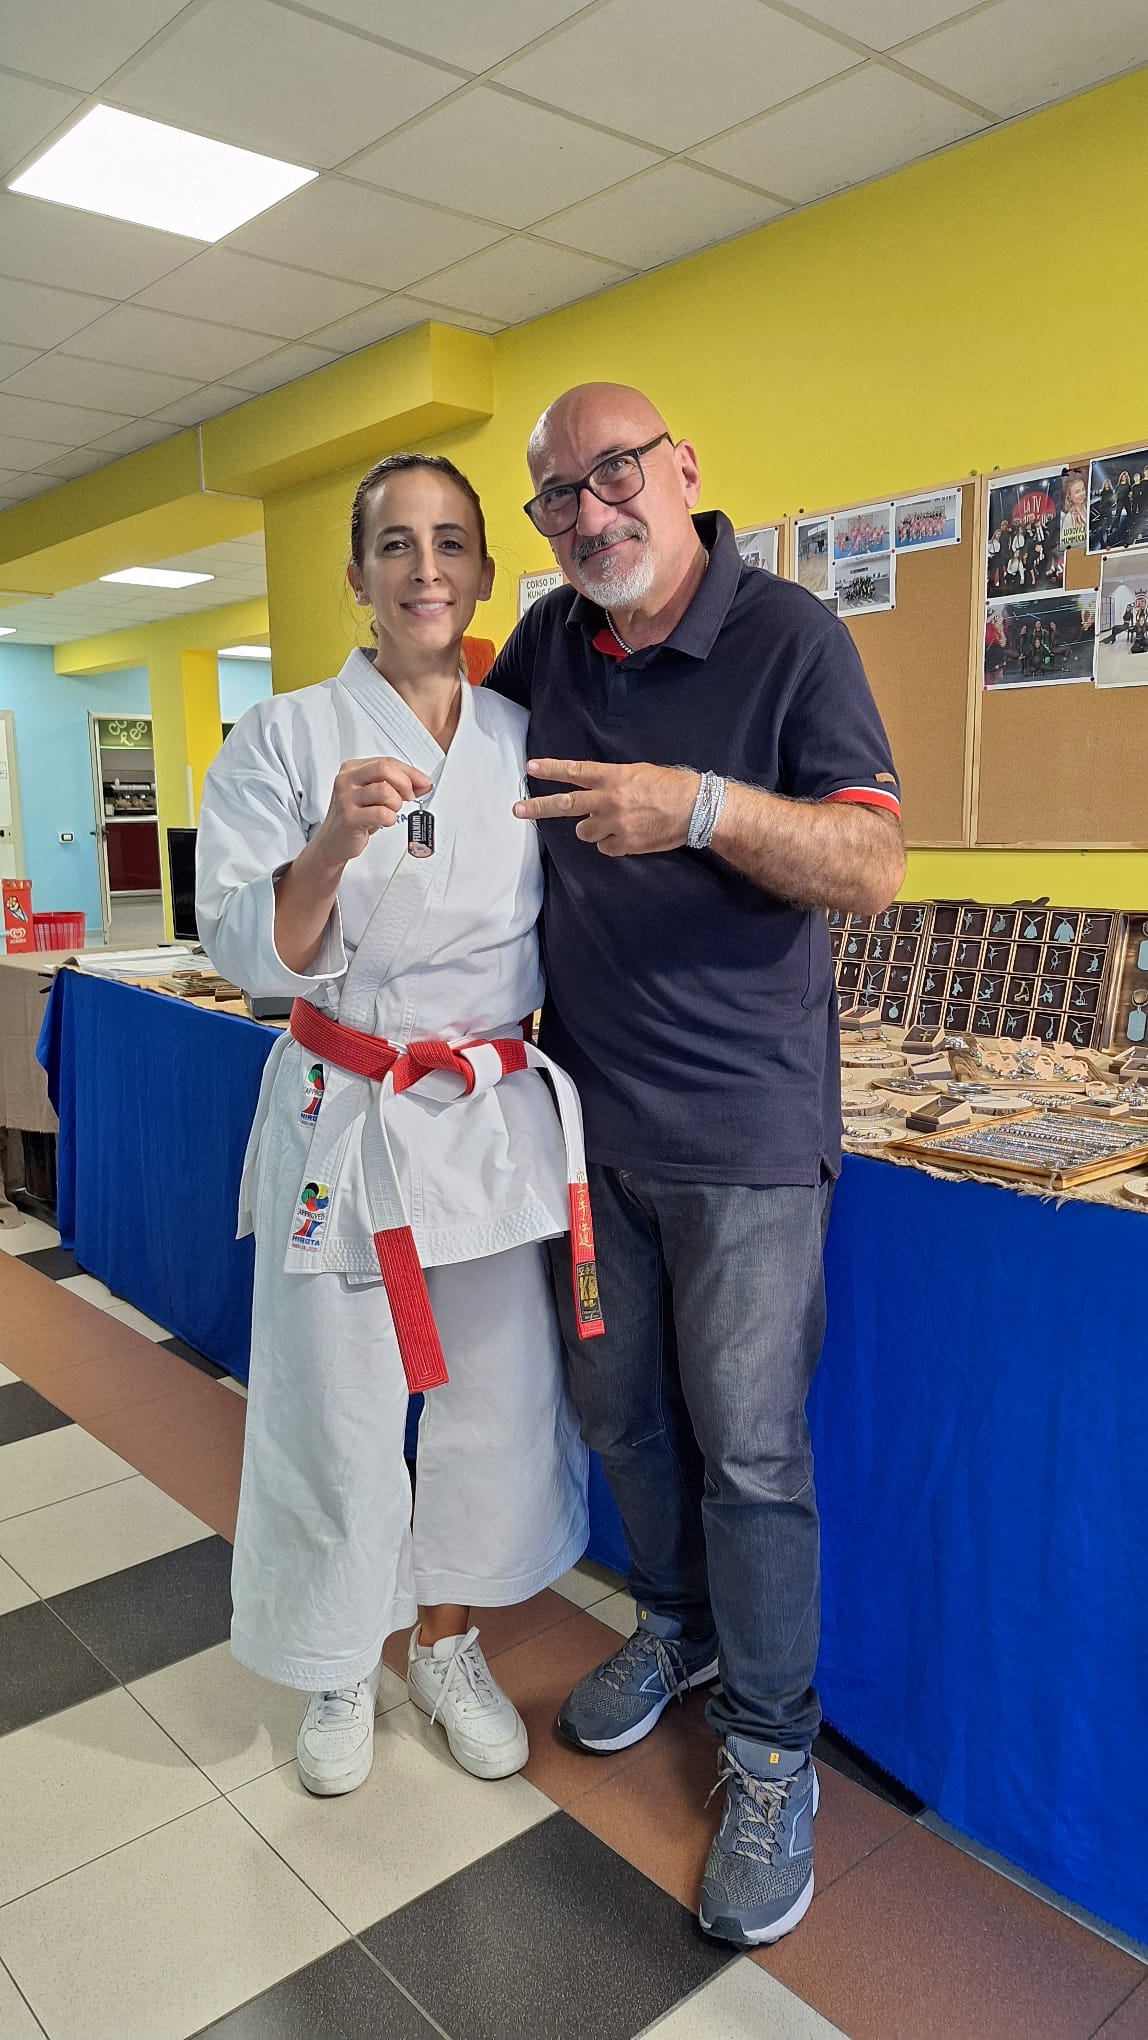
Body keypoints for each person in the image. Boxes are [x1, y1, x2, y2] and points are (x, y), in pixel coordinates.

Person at [488, 383, 904, 1948]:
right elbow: (459, 765)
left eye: (616, 474)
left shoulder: (791, 636)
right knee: (620, 1413)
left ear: (682, 471)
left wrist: (704, 808)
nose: (590, 512)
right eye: (558, 495)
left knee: (752, 1451)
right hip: (585, 1131)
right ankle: (677, 1629)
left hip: (746, 1138)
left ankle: (775, 1755)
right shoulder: (550, 643)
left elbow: (873, 863)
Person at [195, 452, 592, 1799]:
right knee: (336, 1397)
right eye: (397, 544)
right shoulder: (284, 736)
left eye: (452, 542)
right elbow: (246, 946)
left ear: (482, 571)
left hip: (479, 1112)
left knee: (492, 1393)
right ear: (357, 575)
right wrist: (327, 847)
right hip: (347, 1110)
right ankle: (334, 1656)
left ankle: (446, 1641)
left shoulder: (520, 737)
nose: (427, 569)